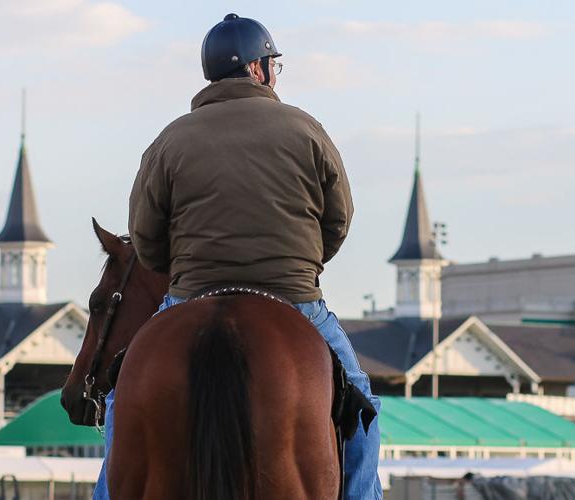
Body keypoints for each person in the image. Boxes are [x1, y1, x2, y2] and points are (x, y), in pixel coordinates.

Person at [94, 13, 382, 500]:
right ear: (258, 68)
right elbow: (339, 221)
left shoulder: (168, 141)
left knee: (122, 402)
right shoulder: (307, 129)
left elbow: (145, 242)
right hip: (294, 299)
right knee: (362, 407)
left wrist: (187, 273)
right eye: (274, 65)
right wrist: (304, 266)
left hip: (189, 295)